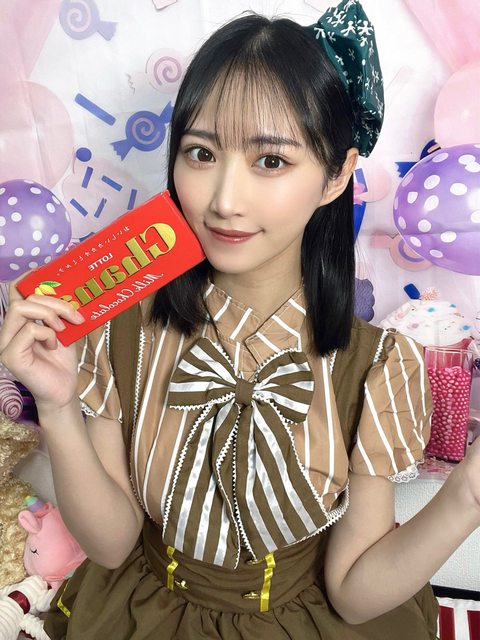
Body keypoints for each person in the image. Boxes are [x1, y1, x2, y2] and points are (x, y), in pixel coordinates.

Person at [1, 2, 479, 638]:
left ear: (337, 175)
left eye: (271, 161)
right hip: (146, 614)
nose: (224, 200)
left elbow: (357, 596)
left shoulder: (378, 365)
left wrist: (468, 495)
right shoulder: (124, 331)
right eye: (200, 153)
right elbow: (111, 546)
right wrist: (58, 407)